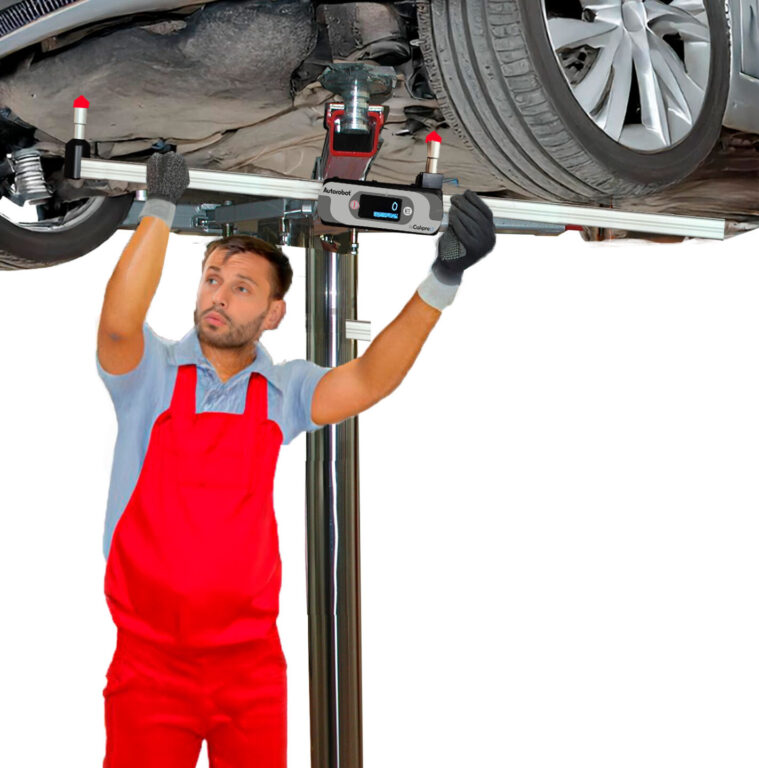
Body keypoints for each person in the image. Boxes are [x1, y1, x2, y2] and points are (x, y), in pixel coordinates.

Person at [95, 152, 495, 768]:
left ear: (273, 313)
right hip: (149, 667)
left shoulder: (284, 392)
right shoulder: (149, 375)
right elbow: (119, 323)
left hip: (248, 669)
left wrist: (441, 280)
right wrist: (159, 211)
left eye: (242, 287)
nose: (218, 296)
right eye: (211, 279)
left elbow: (366, 380)